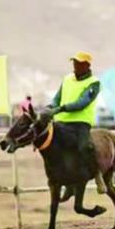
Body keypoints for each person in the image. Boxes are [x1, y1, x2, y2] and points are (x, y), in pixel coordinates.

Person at [46, 51, 106, 194]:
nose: (75, 66)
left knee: (85, 147)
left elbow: (82, 103)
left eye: (78, 63)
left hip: (81, 123)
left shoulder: (94, 83)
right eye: (74, 63)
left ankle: (97, 174)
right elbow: (57, 97)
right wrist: (50, 107)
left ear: (86, 65)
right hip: (61, 122)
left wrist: (61, 108)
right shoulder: (67, 79)